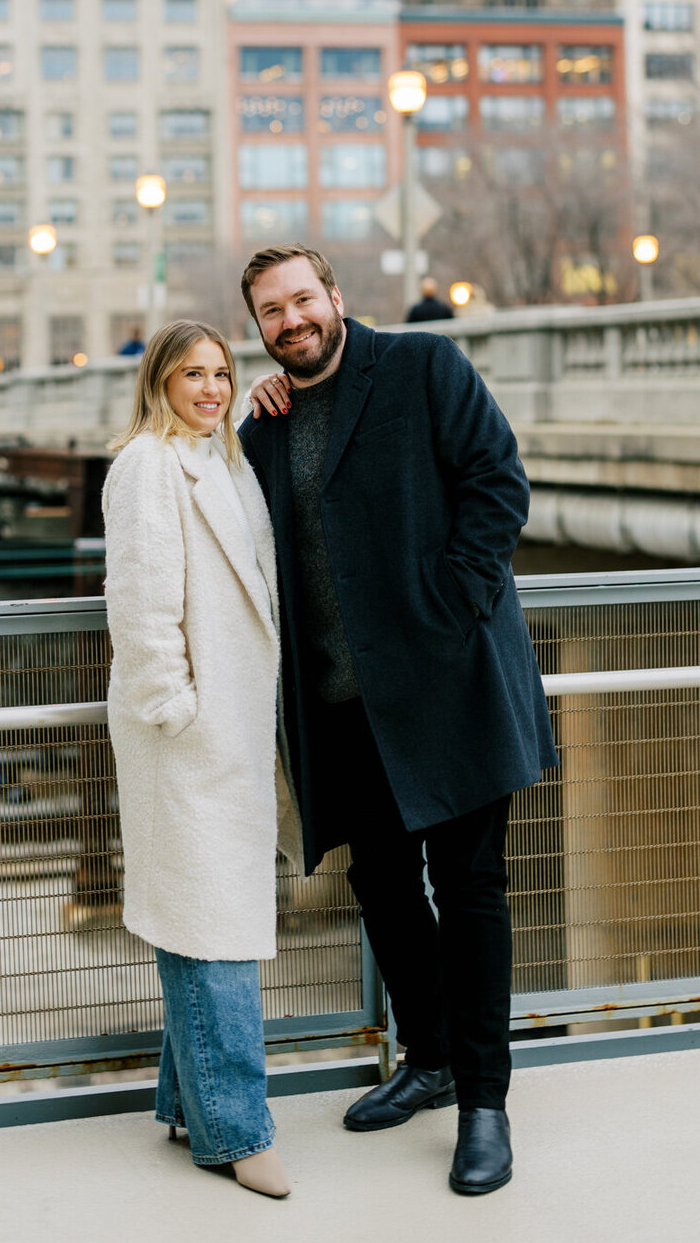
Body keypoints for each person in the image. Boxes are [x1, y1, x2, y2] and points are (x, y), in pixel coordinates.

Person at [237, 245, 556, 1198]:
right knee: (381, 885)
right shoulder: (265, 428)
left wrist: (451, 610)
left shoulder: (422, 367)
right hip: (343, 708)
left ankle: (486, 1103)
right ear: (258, 328)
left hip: (449, 688)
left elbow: (499, 483)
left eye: (302, 299)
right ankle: (429, 1057)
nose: (290, 319)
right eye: (269, 311)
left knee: (470, 889)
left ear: (335, 298)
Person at [102, 319, 301, 1201]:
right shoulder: (148, 463)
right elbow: (140, 599)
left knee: (205, 916)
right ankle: (236, 1129)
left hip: (230, 731)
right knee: (211, 927)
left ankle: (188, 1104)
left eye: (223, 372)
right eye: (194, 374)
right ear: (161, 382)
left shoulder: (223, 460)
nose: (213, 388)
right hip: (186, 738)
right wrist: (173, 710)